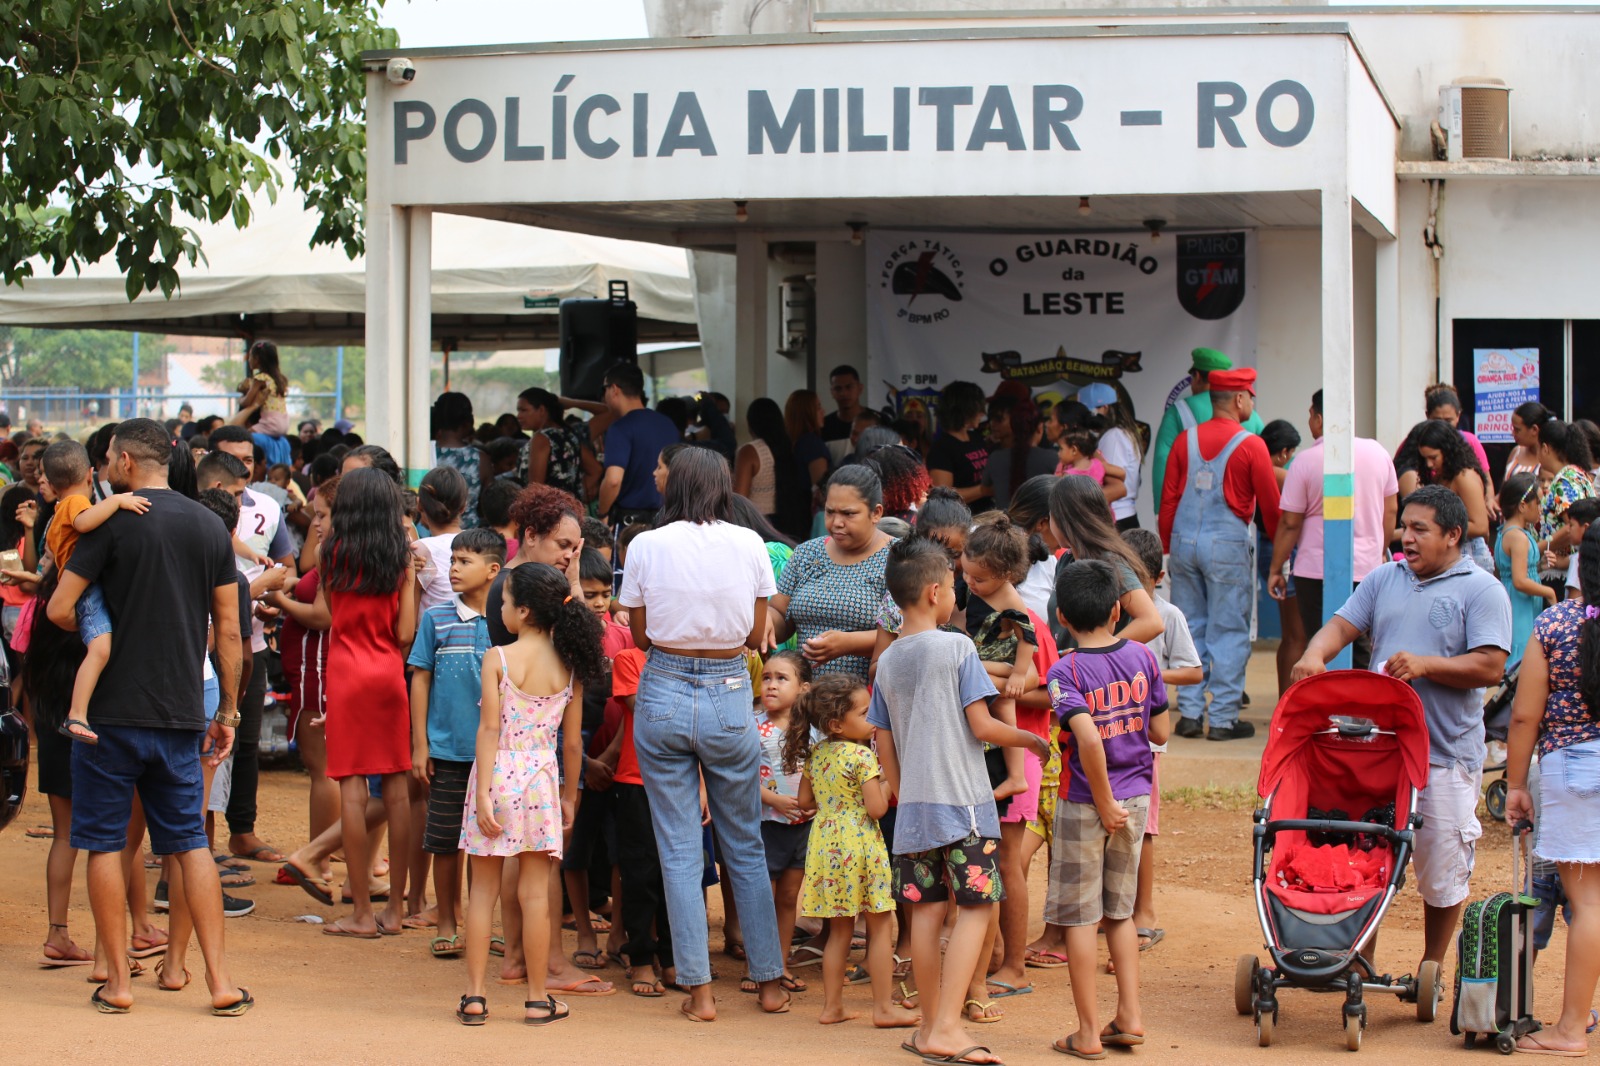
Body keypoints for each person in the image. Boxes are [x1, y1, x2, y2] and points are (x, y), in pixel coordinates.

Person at [44, 417, 250, 1016]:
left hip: (109, 713)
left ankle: (119, 983)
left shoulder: (111, 525)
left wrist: (100, 620)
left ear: (127, 463)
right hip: (183, 708)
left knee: (107, 844)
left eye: (108, 457)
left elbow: (59, 609)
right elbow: (230, 630)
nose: (105, 466)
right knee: (189, 846)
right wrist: (229, 711)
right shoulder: (209, 526)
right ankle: (218, 982)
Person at [1293, 485, 1511, 975]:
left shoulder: (1482, 590)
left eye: (1419, 529)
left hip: (1444, 755)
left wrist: (1427, 665)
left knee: (1441, 869)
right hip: (1378, 753)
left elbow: (1492, 666)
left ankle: (1431, 967)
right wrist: (1314, 655)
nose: (1405, 538)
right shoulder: (1383, 578)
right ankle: (1359, 958)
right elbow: (1342, 626)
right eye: (1404, 526)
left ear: (1454, 535)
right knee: (1367, 859)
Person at [616, 446, 789, 1021]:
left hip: (663, 685)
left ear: (674, 486)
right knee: (745, 843)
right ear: (722, 486)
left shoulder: (646, 544)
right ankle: (769, 984)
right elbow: (760, 630)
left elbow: (639, 635)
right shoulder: (748, 544)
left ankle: (700, 993)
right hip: (729, 688)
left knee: (679, 849)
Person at [872, 536, 1051, 1065]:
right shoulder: (956, 647)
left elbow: (885, 746)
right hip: (964, 804)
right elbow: (982, 724)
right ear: (933, 592)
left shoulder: (887, 662)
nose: (955, 597)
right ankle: (947, 1027)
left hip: (915, 812)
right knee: (976, 909)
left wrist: (907, 800)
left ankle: (930, 1024)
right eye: (952, 587)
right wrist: (1031, 742)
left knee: (925, 915)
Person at [456, 562, 599, 1026]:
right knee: (536, 894)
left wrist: (481, 794)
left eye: (503, 602)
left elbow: (489, 727)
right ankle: (538, 999)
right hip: (541, 779)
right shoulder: (570, 666)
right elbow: (572, 743)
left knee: (483, 891)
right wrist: (570, 797)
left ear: (522, 610)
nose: (500, 609)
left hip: (497, 774)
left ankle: (475, 997)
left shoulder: (497, 658)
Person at [1044, 559, 1171, 1058]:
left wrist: (1100, 798)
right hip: (1137, 795)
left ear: (1063, 619)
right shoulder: (1143, 656)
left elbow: (1088, 738)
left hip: (1085, 802)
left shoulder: (1065, 669)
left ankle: (1088, 1033)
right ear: (1118, 610)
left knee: (1078, 918)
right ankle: (1131, 1017)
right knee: (1119, 913)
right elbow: (1160, 732)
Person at [295, 466, 421, 939]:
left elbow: (326, 617)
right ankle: (397, 910)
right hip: (388, 674)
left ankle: (362, 913)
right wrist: (407, 584)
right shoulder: (399, 559)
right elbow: (405, 633)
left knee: (351, 789)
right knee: (396, 791)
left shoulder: (331, 553)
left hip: (345, 675)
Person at [1504, 522, 1600, 1056]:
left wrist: (1517, 785)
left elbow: (1524, 718)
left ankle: (1569, 1029)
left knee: (1587, 903)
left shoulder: (1556, 624)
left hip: (1575, 767)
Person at [777, 672, 918, 1030]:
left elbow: (806, 801)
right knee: (880, 927)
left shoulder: (820, 752)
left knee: (839, 931)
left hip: (826, 846)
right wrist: (886, 777)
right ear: (837, 723)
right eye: (865, 713)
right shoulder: (862, 757)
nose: (872, 721)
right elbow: (876, 810)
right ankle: (884, 1008)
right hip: (861, 846)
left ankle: (832, 1007)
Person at [1159, 367, 1279, 741]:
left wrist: (1167, 546)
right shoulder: (1251, 445)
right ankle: (1224, 718)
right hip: (1226, 545)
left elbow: (1169, 499)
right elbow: (1271, 509)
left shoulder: (1184, 440)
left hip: (1183, 543)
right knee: (1228, 630)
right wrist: (1279, 547)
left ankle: (1190, 714)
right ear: (1240, 400)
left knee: (1189, 626)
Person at [409, 528, 503, 960]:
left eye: (465, 561)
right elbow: (420, 679)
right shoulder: (437, 618)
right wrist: (420, 745)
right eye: (453, 561)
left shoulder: (508, 624)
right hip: (447, 751)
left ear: (493, 570)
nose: (453, 569)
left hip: (497, 756)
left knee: (486, 843)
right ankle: (448, 922)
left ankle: (483, 925)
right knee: (446, 840)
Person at [208, 426, 296, 865]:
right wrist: (258, 586)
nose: (243, 465)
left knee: (244, 741)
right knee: (202, 743)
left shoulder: (266, 506)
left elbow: (288, 566)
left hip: (252, 643)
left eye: (248, 458)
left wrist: (274, 599)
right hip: (207, 643)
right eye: (232, 457)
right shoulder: (200, 506)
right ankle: (187, 844)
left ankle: (241, 831)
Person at [1268, 389, 1399, 664]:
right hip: (1369, 570)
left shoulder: (1304, 461)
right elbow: (1391, 511)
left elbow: (1290, 523)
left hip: (1315, 573)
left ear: (1318, 418)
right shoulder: (1378, 453)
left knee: (1320, 646)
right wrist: (1378, 551)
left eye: (1309, 415)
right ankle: (1364, 705)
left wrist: (1276, 568)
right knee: (1364, 647)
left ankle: (1330, 706)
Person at [37, 440, 153, 745]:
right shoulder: (76, 503)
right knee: (100, 650)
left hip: (83, 592)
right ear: (90, 475)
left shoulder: (58, 509)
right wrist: (116, 502)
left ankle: (79, 712)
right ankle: (77, 714)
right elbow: (85, 522)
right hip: (86, 593)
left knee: (101, 648)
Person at [1121, 529, 1203, 957]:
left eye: (1137, 577)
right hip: (1112, 733)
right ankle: (1113, 911)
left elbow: (1192, 671)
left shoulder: (1167, 615)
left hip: (1147, 737)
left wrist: (1151, 674)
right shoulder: (1112, 613)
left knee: (1143, 828)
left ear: (1157, 577)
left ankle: (1145, 912)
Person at [769, 465, 894, 678]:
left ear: (876, 513)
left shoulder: (900, 559)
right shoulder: (807, 554)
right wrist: (764, 621)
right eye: (829, 512)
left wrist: (849, 643)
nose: (836, 523)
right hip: (808, 697)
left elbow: (912, 633)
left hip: (865, 700)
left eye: (848, 514)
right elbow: (780, 614)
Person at [754, 649, 815, 996]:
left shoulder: (816, 731)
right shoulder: (753, 727)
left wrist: (815, 806)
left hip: (802, 827)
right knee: (763, 896)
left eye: (782, 678)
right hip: (766, 823)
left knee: (790, 896)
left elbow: (822, 772)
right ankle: (761, 967)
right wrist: (774, 799)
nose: (772, 685)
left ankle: (781, 964)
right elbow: (739, 776)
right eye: (767, 678)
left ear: (804, 688)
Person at [1151, 348, 1267, 520]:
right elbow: (1270, 465)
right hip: (1236, 519)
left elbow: (1163, 461)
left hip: (1188, 517)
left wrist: (1161, 515)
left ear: (1197, 376)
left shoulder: (1179, 412)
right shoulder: (1252, 416)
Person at [1049, 475, 1165, 646]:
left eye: (1052, 515)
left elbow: (1152, 622)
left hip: (1096, 672)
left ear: (1065, 520)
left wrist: (1098, 653)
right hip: (1067, 669)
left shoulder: (1109, 561)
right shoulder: (1067, 559)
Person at [597, 362, 679, 528]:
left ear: (614, 389)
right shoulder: (668, 424)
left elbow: (613, 480)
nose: (604, 395)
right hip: (666, 520)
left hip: (630, 524)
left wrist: (602, 513)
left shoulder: (620, 428)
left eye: (604, 389)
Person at [1411, 419, 1494, 572]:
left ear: (1447, 451)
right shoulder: (1443, 475)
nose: (1428, 464)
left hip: (1471, 557)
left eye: (1433, 457)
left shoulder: (1464, 477)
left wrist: (1438, 526)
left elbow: (1481, 526)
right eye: (1425, 459)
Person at [1259, 419, 1304, 697]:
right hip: (1283, 550)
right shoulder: (1278, 473)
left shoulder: (1257, 465)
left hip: (1270, 547)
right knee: (1296, 636)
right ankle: (1288, 704)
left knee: (1291, 636)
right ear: (1285, 452)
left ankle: (1285, 701)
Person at [1495, 473, 1557, 668]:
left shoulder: (1508, 532)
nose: (1540, 508)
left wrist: (1539, 565)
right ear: (1523, 506)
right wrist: (1549, 592)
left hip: (1520, 601)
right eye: (1538, 502)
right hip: (1520, 604)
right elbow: (1520, 580)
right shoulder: (1517, 537)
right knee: (1520, 654)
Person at [734, 396, 810, 543]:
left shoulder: (750, 451)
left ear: (750, 424)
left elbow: (739, 499)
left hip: (757, 524)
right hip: (789, 524)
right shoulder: (789, 448)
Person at [1078, 383, 1145, 530]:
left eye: (1090, 412)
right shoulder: (1116, 433)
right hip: (1119, 516)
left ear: (1105, 408)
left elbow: (1113, 481)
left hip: (1118, 517)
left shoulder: (1114, 436)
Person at [515, 387, 595, 502]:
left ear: (542, 410)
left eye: (523, 410)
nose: (518, 416)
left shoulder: (541, 438)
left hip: (548, 512)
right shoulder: (570, 435)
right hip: (571, 511)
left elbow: (535, 488)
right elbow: (595, 469)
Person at [928, 381, 994, 512]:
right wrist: (983, 490)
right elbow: (942, 497)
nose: (983, 414)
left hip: (988, 516)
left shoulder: (976, 438)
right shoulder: (942, 448)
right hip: (963, 522)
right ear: (966, 410)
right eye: (979, 408)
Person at [1536, 419, 1598, 557]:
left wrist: (1536, 549)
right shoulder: (1577, 473)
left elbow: (1572, 527)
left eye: (1538, 448)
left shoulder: (1564, 481)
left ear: (1545, 448)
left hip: (1563, 567)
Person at [430, 393, 492, 530]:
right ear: (468, 421)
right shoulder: (481, 459)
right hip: (468, 536)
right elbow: (488, 505)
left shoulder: (423, 454)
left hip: (429, 532)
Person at [980, 400, 1057, 512]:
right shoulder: (1052, 458)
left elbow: (985, 488)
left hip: (1004, 526)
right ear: (1040, 428)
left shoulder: (995, 457)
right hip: (1039, 526)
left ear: (1012, 427)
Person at [413, 465, 469, 612]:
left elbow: (409, 615)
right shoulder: (478, 544)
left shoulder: (421, 550)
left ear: (419, 505)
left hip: (430, 634)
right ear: (464, 507)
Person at [231, 339, 292, 468]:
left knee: (244, 435)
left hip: (270, 422)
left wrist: (240, 400)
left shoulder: (260, 379)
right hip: (283, 422)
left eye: (250, 356)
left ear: (257, 358)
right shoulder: (279, 379)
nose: (248, 360)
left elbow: (247, 401)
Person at [1423, 384, 1494, 484]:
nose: (1443, 426)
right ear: (1428, 416)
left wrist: (1488, 499)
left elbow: (1487, 482)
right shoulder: (1418, 442)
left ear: (1458, 416)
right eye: (1437, 420)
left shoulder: (1470, 441)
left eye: (1448, 420)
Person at [784, 389, 832, 515]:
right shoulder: (812, 444)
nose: (823, 411)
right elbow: (820, 491)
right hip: (808, 518)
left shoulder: (790, 443)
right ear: (807, 413)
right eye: (818, 407)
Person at [1563, 499, 1600, 600]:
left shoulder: (1579, 559)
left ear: (1586, 528)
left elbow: (1574, 601)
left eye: (1571, 525)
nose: (1568, 530)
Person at [1507, 401, 1552, 482]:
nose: (1513, 433)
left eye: (1517, 430)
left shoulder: (1550, 459)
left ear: (1534, 430)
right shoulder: (1516, 452)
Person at [822, 365, 865, 445]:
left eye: (849, 387)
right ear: (832, 392)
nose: (843, 393)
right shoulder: (823, 426)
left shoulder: (879, 422)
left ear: (860, 388)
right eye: (838, 388)